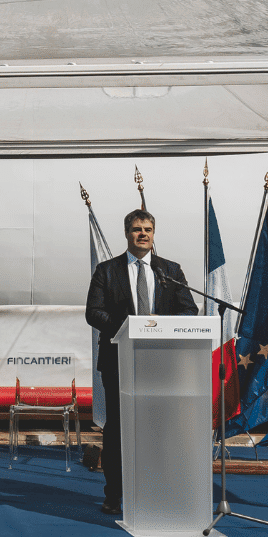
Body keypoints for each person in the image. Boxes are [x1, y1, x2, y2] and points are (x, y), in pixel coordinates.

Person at [85, 209, 197, 514]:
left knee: (159, 429)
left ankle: (156, 489)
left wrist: (161, 323)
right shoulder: (107, 271)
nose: (143, 234)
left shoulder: (169, 271)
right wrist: (128, 325)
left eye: (148, 229)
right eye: (137, 229)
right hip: (119, 361)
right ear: (127, 233)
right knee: (118, 430)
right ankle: (114, 495)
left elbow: (190, 311)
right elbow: (93, 312)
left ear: (154, 233)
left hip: (161, 363)